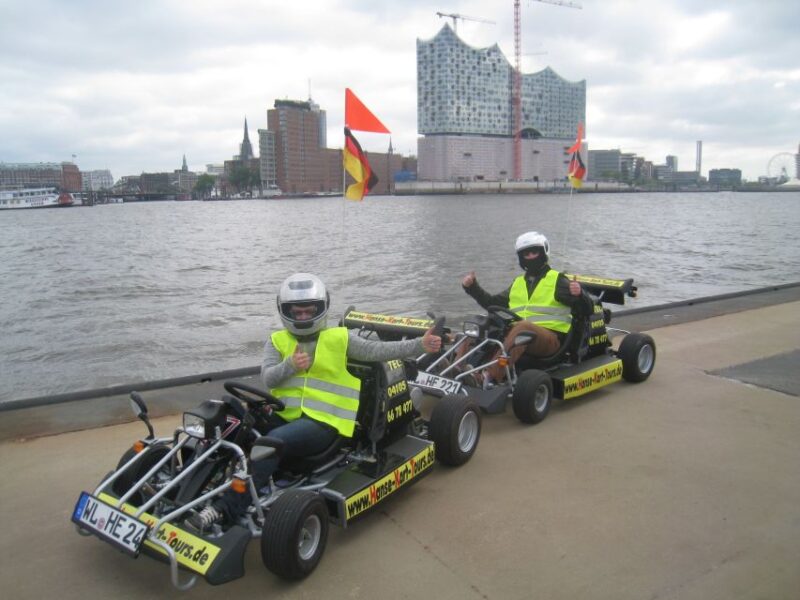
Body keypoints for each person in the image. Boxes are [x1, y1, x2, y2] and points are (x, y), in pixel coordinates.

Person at [190, 272, 442, 529]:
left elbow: (380, 351)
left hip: (326, 424)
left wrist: (420, 345)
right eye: (296, 312)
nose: (302, 317)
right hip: (286, 416)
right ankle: (183, 487)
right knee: (227, 417)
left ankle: (224, 510)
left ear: (321, 308)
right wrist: (290, 365)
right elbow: (268, 379)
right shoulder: (277, 341)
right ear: (285, 310)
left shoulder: (340, 338)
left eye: (308, 311)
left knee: (270, 443)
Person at [461, 231, 594, 386]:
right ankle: (456, 369)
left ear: (543, 252)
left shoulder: (557, 280)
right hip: (521, 334)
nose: (530, 257)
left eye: (534, 252)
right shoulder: (518, 283)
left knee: (522, 327)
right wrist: (472, 288)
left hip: (551, 339)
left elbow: (587, 310)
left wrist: (580, 295)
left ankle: (487, 377)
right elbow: (492, 303)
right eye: (526, 254)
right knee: (480, 324)